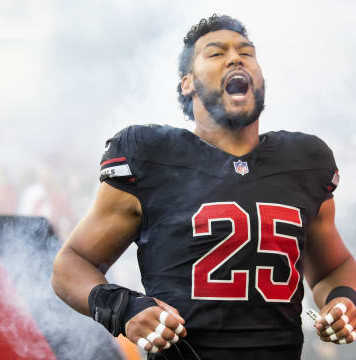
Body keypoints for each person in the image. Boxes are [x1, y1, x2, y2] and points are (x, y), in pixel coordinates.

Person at [51, 14, 356, 360]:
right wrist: (122, 307)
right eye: (215, 53)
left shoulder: (306, 160)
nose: (235, 57)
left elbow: (333, 268)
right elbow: (70, 264)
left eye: (246, 52)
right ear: (188, 84)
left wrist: (342, 299)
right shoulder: (150, 154)